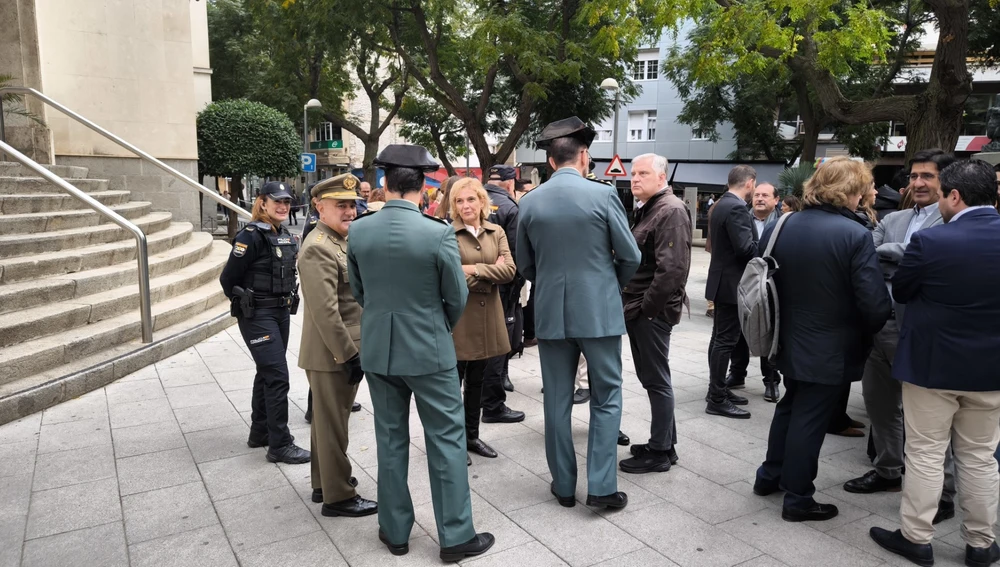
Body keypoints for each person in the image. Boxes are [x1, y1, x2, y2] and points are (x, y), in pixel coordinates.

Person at [347, 145, 494, 562]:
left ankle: (394, 531)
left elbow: (361, 293)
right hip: (429, 349)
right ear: (424, 186)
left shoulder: (359, 230)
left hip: (379, 348)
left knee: (390, 439)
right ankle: (455, 536)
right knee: (446, 440)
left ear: (384, 183)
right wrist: (436, 326)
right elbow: (456, 295)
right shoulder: (437, 233)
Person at [869, 160, 1000, 567]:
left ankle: (916, 537)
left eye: (942, 194)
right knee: (980, 456)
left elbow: (903, 291)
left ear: (955, 196)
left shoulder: (932, 243)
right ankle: (981, 544)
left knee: (925, 452)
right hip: (991, 370)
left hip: (931, 365)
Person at [753, 157, 890, 522]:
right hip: (830, 346)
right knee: (810, 417)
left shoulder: (785, 223)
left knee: (790, 405)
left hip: (784, 336)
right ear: (853, 191)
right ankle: (798, 497)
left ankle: (769, 475)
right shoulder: (855, 234)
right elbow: (875, 304)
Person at [516, 116, 641, 509]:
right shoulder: (603, 196)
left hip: (552, 311)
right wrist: (608, 281)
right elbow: (632, 255)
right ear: (583, 156)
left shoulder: (530, 201)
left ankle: (564, 486)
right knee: (607, 396)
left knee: (557, 399)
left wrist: (552, 282)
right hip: (599, 310)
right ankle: (602, 487)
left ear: (550, 161)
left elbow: (525, 264)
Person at [842, 149, 953, 498]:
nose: (917, 183)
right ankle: (888, 469)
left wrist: (898, 255)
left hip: (922, 329)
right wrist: (903, 255)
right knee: (879, 402)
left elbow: (922, 261)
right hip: (879, 324)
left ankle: (943, 489)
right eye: (914, 176)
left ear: (945, 182)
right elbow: (866, 257)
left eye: (927, 176)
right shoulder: (894, 220)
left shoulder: (952, 221)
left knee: (929, 415)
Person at [296, 173, 376, 518]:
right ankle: (339, 497)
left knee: (329, 424)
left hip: (337, 349)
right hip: (333, 352)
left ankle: (323, 483)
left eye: (351, 205)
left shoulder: (335, 240)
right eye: (340, 205)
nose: (349, 212)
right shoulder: (317, 247)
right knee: (333, 426)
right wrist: (349, 355)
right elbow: (326, 312)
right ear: (319, 207)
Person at [219, 181, 310, 465]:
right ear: (262, 203)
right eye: (277, 201)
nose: (283, 206)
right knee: (277, 376)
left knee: (268, 372)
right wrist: (246, 305)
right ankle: (280, 444)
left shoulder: (282, 234)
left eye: (286, 202)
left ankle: (260, 431)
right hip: (258, 315)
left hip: (281, 312)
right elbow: (227, 279)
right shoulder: (251, 235)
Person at [618, 153, 691, 475]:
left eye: (643, 173)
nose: (635, 178)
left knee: (656, 380)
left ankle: (660, 451)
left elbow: (672, 270)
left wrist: (647, 310)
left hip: (650, 311)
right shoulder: (651, 208)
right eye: (633, 173)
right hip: (642, 307)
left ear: (661, 178)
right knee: (654, 378)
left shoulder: (670, 209)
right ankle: (665, 444)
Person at [449, 177, 517, 461]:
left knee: (477, 381)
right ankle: (453, 444)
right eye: (459, 201)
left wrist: (472, 270)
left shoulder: (496, 231)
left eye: (470, 199)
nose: (466, 205)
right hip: (458, 318)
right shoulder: (446, 233)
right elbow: (451, 276)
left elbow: (510, 270)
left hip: (487, 317)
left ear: (481, 202)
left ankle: (472, 437)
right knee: (453, 384)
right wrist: (489, 270)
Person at [704, 165, 758, 419]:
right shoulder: (736, 207)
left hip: (722, 281)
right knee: (725, 341)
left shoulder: (721, 204)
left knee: (719, 339)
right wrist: (763, 242)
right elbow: (745, 249)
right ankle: (716, 397)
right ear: (749, 183)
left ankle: (718, 390)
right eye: (754, 185)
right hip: (731, 283)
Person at [726, 182, 782, 403]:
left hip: (771, 285)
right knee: (740, 330)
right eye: (757, 194)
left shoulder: (781, 224)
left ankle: (771, 380)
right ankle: (737, 373)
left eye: (765, 195)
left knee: (768, 330)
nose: (759, 198)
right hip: (745, 283)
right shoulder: (743, 217)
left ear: (776, 200)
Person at [481, 164, 527, 422]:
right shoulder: (511, 207)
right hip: (503, 285)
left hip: (474, 284)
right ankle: (493, 405)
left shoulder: (473, 201)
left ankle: (476, 398)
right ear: (511, 183)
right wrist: (518, 281)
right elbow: (517, 253)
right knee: (499, 343)